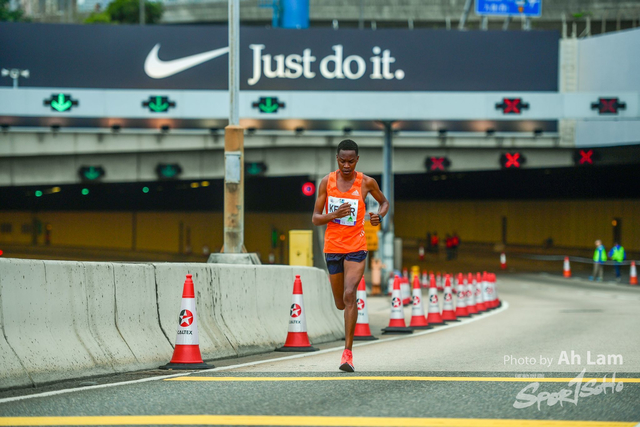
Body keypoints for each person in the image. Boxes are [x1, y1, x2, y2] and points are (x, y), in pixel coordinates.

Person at [312, 139, 389, 372]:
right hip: (333, 247)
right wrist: (333, 214)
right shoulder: (326, 182)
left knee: (349, 294)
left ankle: (347, 354)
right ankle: (347, 335)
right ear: (337, 159)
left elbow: (384, 203)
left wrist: (378, 216)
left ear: (357, 160)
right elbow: (315, 218)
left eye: (351, 161)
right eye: (343, 161)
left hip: (356, 246)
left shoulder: (366, 182)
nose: (347, 166)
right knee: (340, 303)